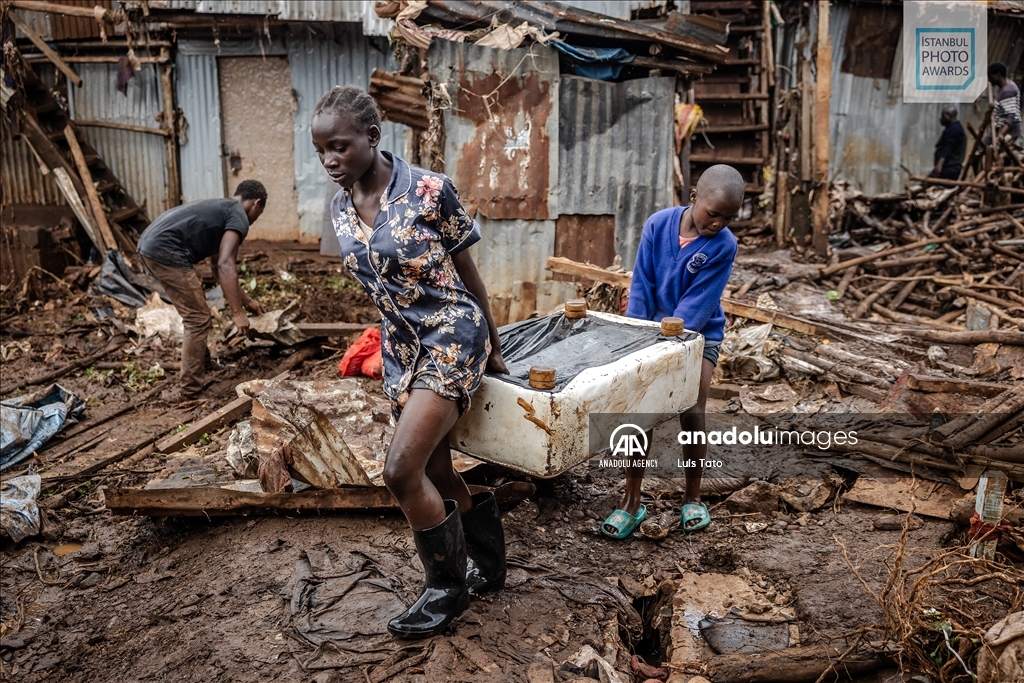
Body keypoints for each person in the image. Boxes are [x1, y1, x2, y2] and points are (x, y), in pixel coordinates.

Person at [311, 85, 508, 639]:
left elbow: (468, 274)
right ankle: (487, 565)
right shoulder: (340, 205)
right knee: (439, 469)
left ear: (373, 138)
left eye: (341, 147)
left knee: (401, 470)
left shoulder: (428, 190)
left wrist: (493, 346)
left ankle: (446, 591)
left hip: (451, 335)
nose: (330, 160)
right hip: (401, 349)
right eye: (321, 150)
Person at [601, 165, 743, 539]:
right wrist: (637, 335)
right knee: (643, 411)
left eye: (729, 218)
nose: (719, 223)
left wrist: (671, 342)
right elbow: (642, 283)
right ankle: (631, 499)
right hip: (649, 331)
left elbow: (699, 304)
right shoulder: (658, 224)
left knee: (692, 407)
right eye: (714, 214)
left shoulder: (724, 245)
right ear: (694, 197)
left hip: (698, 334)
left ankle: (692, 496)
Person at [136, 181, 267, 399]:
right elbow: (227, 265)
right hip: (166, 249)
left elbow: (217, 266)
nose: (254, 219)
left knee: (197, 314)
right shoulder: (239, 216)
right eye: (259, 213)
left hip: (151, 245)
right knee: (197, 318)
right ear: (256, 204)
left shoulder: (224, 209)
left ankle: (202, 367)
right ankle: (190, 390)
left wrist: (246, 301)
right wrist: (237, 313)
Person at [987, 62, 1022, 148]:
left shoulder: (1008, 91)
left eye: (990, 76)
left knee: (988, 152)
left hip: (1008, 133)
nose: (989, 79)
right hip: (998, 129)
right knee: (983, 148)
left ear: (998, 75)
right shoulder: (1003, 88)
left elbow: (1010, 116)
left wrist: (1000, 136)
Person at [930, 106, 966, 180]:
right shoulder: (953, 128)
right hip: (949, 168)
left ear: (949, 116)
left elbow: (948, 148)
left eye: (943, 116)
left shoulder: (954, 130)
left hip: (949, 168)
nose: (941, 119)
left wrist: (939, 165)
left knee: (926, 184)